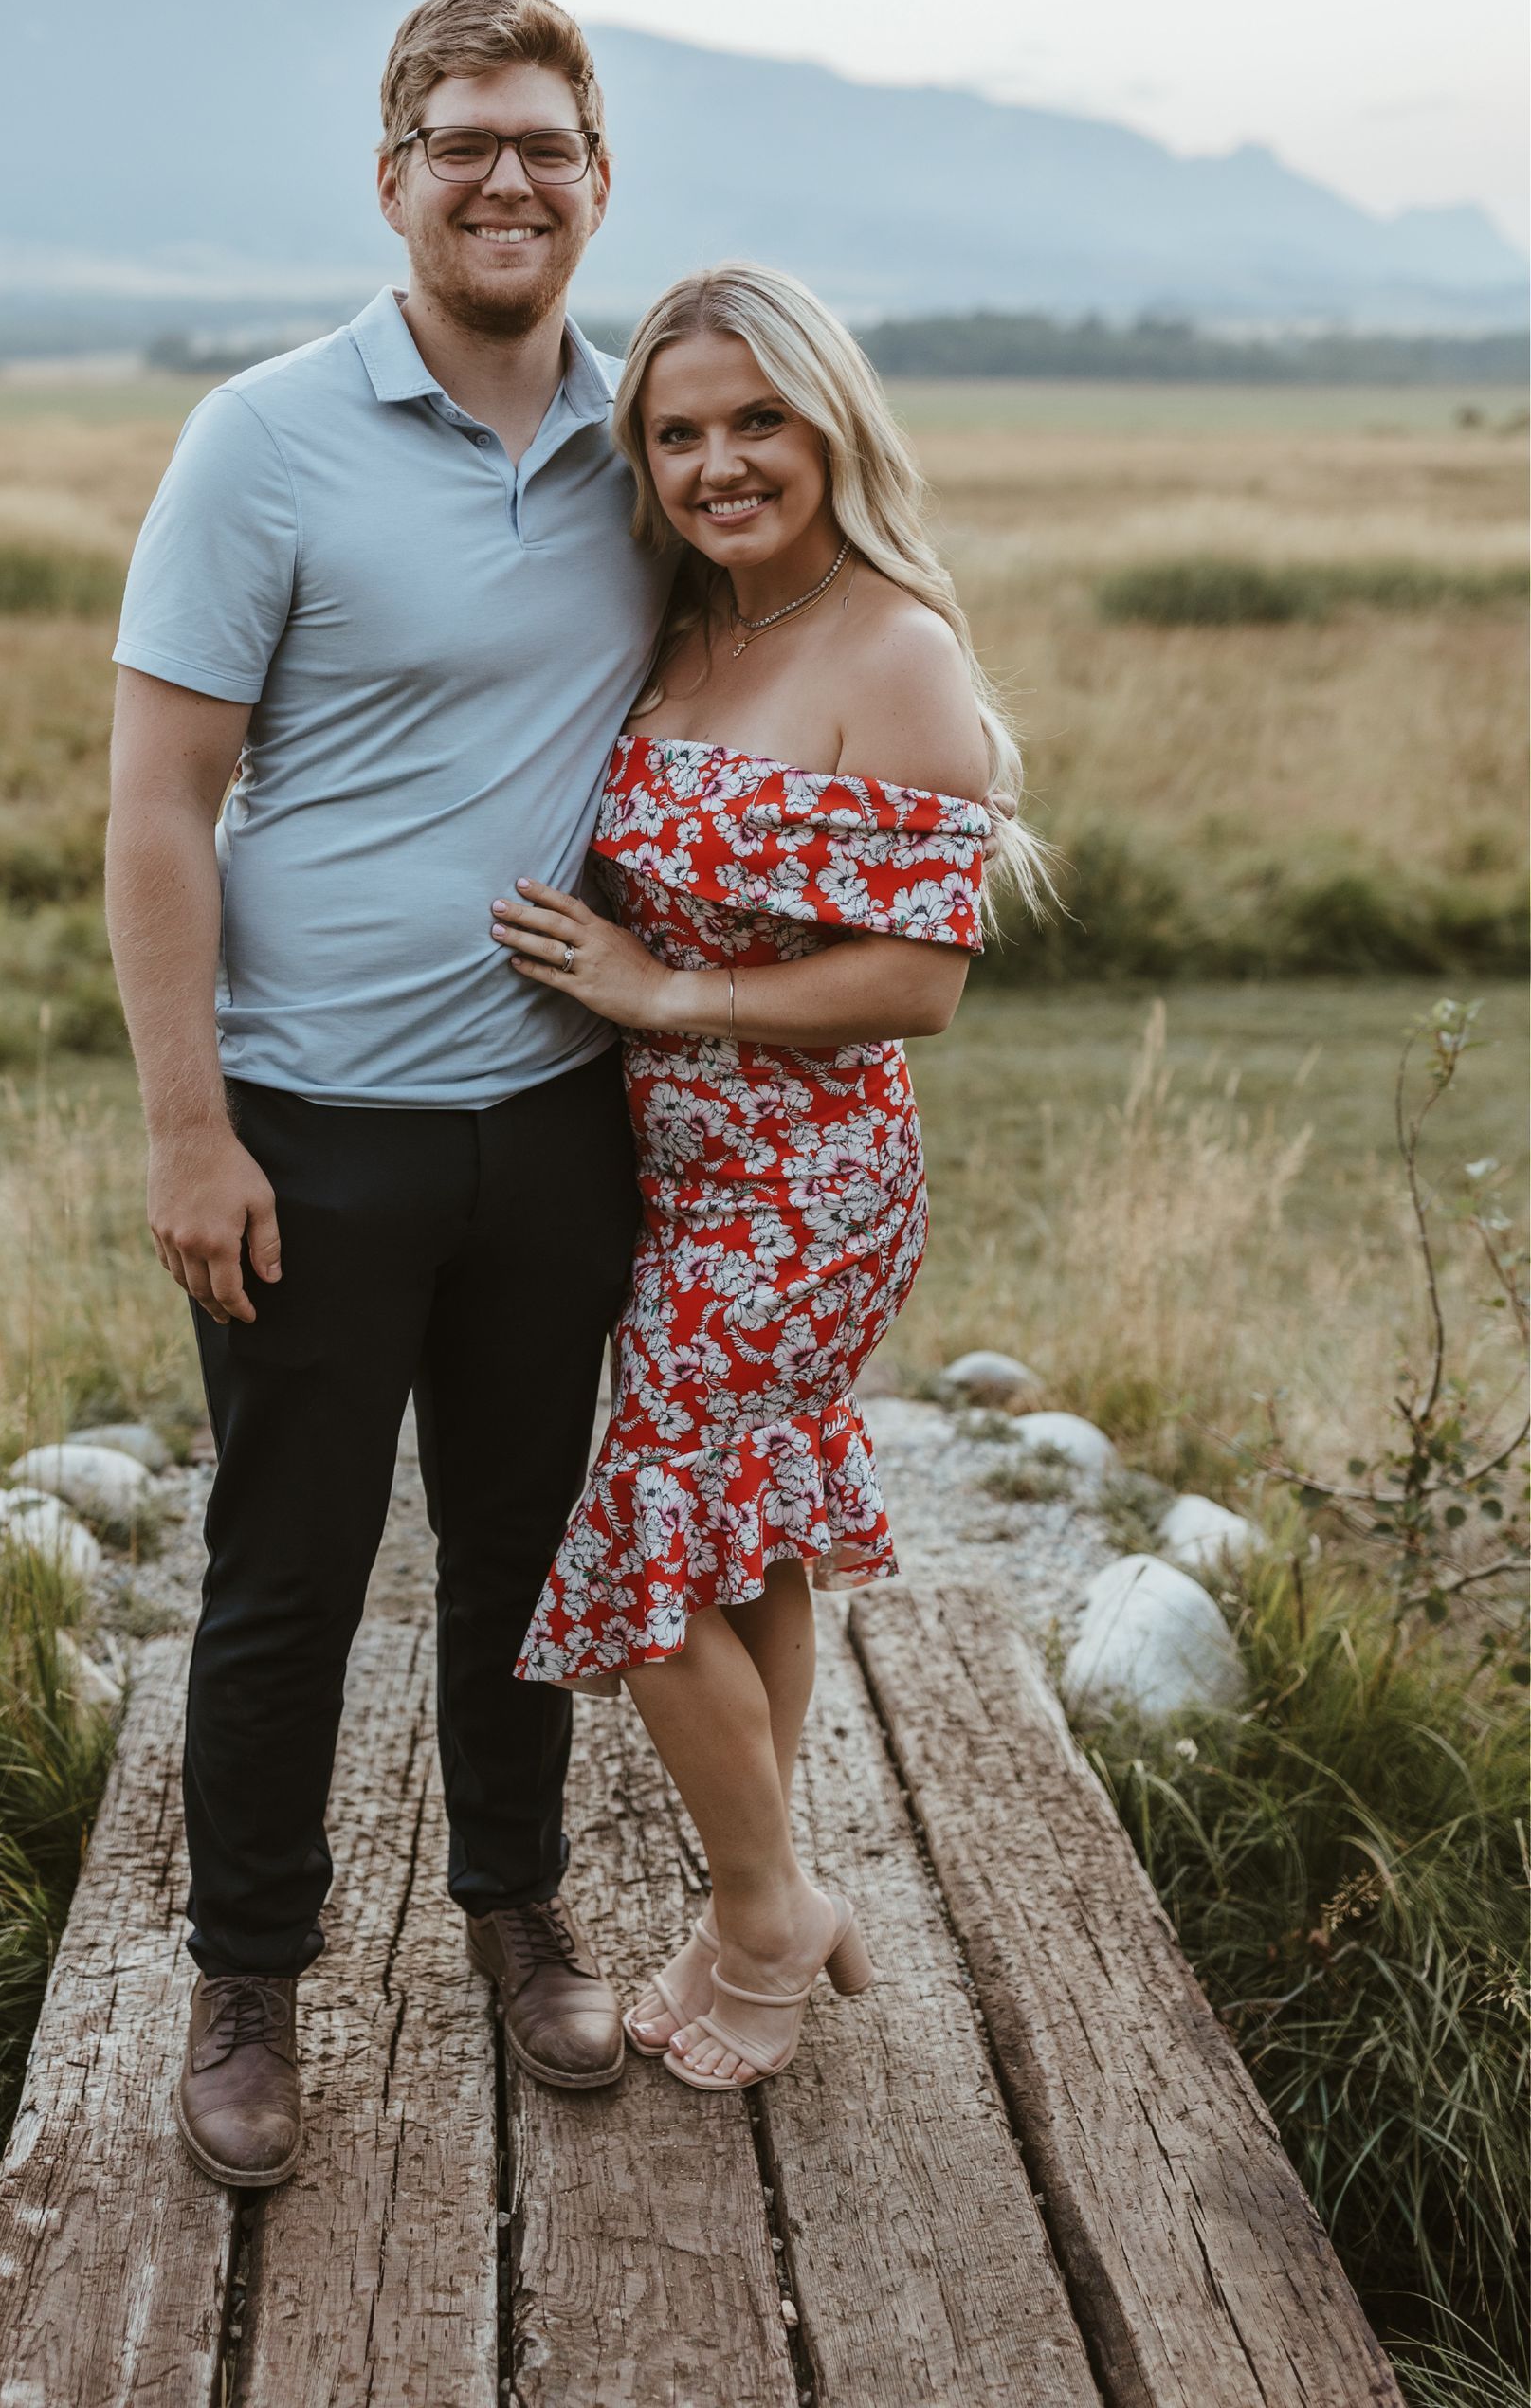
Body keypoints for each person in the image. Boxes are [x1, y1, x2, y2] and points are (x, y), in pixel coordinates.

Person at [104, 0, 672, 2188]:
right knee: (286, 1576)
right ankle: (249, 1979)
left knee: (523, 1556)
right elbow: (160, 804)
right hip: (309, 1128)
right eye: (464, 143)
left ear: (599, 181)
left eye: (545, 143)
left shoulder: (654, 441)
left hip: (552, 1124)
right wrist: (187, 1124)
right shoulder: (264, 436)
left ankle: (516, 1911)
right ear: (393, 179)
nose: (507, 177)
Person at [490, 263, 1048, 2090]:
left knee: (649, 1543)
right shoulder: (685, 626)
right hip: (679, 1170)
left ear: (830, 427)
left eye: (757, 423)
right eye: (677, 434)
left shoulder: (895, 650)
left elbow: (922, 983)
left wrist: (667, 988)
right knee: (738, 1530)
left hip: (810, 1188)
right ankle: (765, 1911)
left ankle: (765, 1917)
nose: (720, 463)